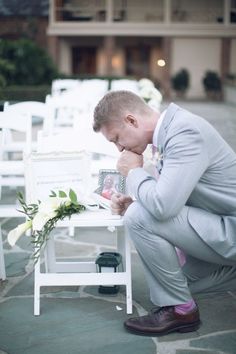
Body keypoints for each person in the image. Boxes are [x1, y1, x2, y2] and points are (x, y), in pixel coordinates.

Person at [93, 90, 236, 337]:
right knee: (177, 282)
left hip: (230, 229)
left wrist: (134, 173)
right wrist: (135, 201)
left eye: (116, 138)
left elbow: (163, 207)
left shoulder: (184, 132)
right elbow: (170, 197)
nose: (119, 149)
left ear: (131, 120)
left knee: (139, 217)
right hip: (219, 225)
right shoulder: (169, 132)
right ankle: (182, 297)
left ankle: (182, 311)